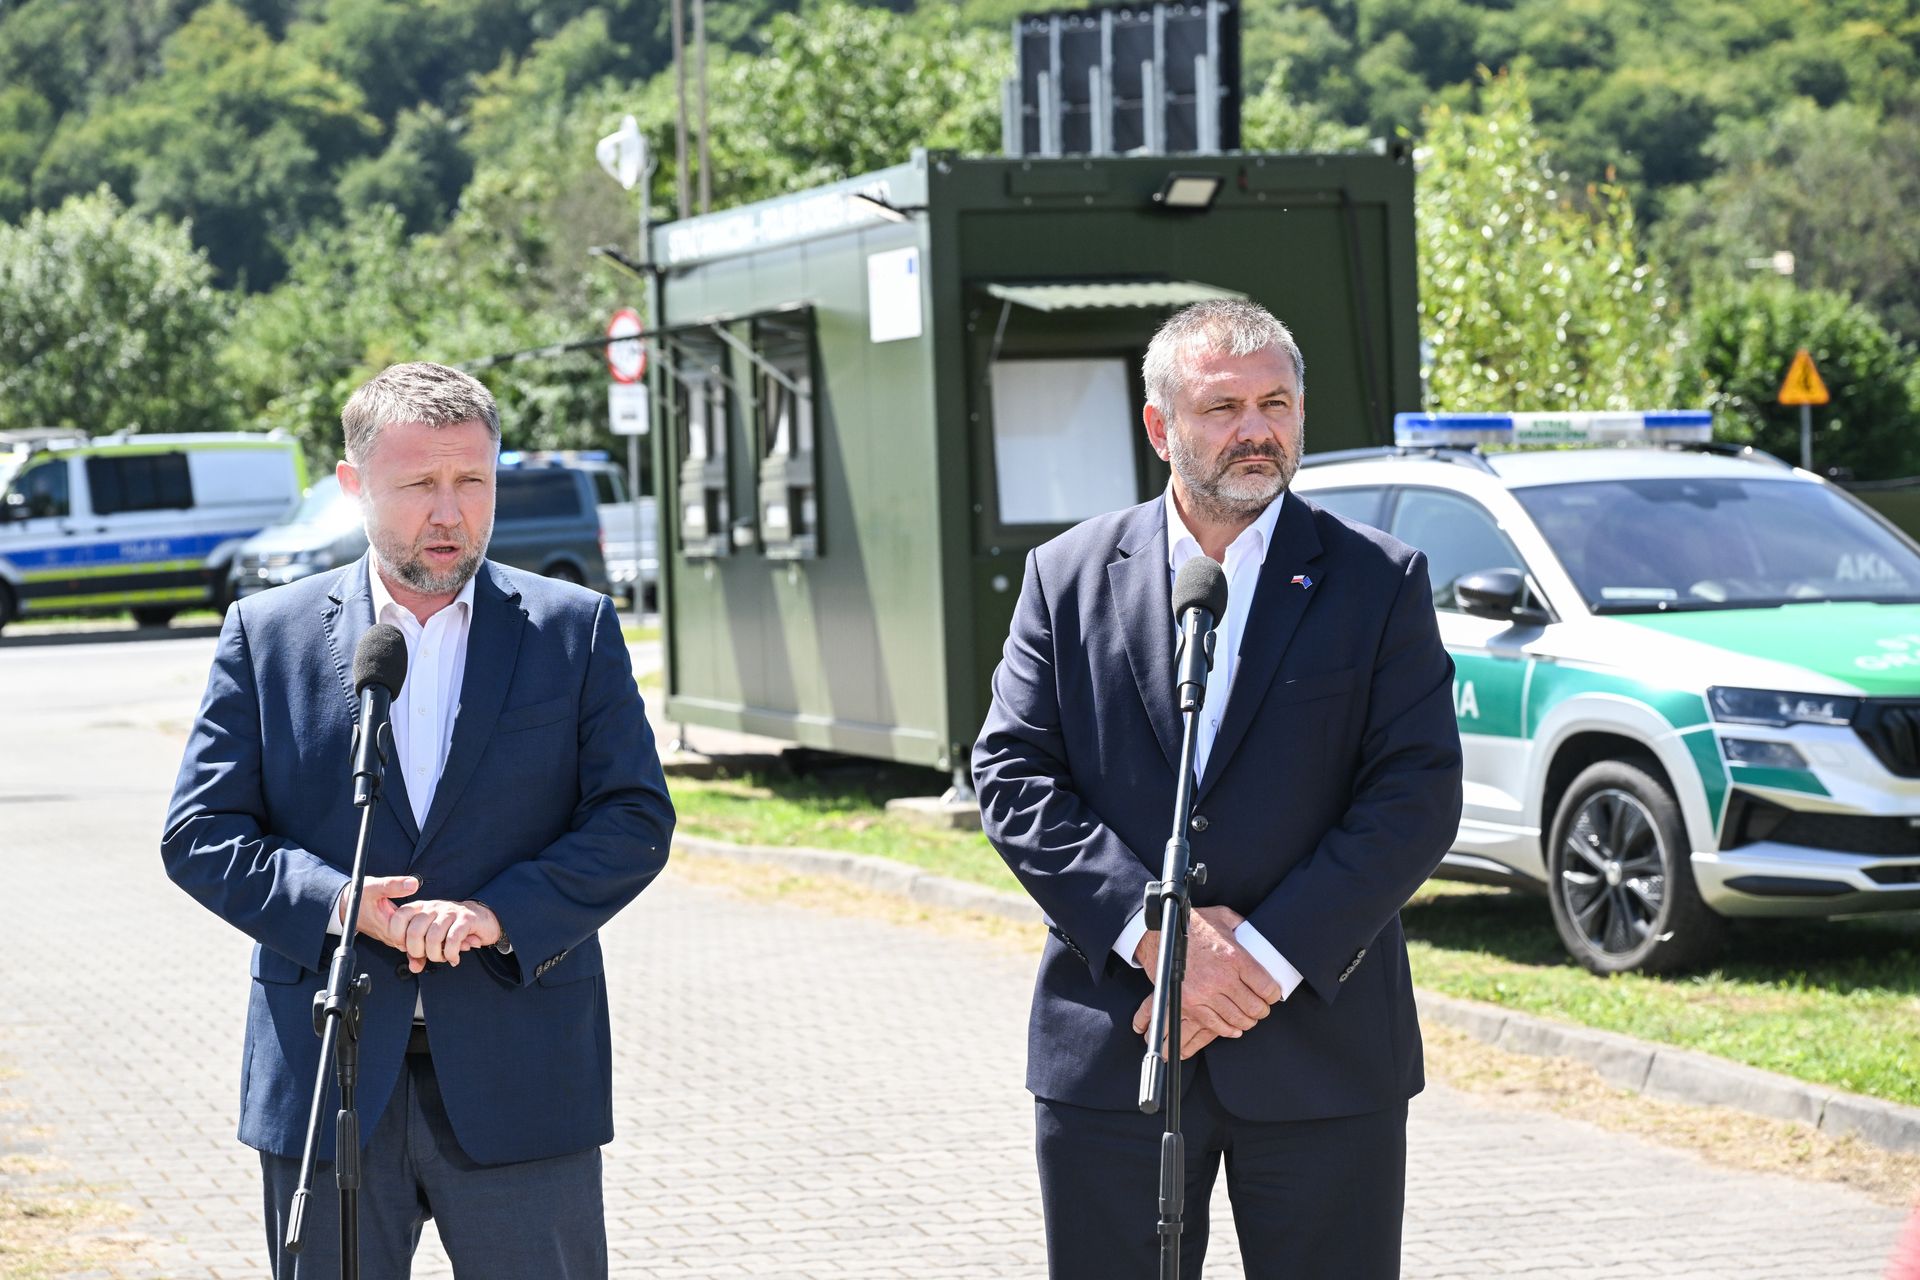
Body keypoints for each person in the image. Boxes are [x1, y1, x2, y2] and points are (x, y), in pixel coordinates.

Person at [973, 300, 1462, 1279]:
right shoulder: (1065, 577)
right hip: (1120, 1048)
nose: (1256, 429)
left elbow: (1414, 793)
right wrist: (1161, 942)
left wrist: (1257, 962)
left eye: (1276, 403)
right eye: (1222, 406)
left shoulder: (1379, 581)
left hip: (1323, 1054)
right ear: (1160, 427)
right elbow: (1013, 774)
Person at [163, 362, 674, 1278]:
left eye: (471, 480)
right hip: (329, 1075)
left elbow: (632, 815)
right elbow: (200, 832)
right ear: (352, 485)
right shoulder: (267, 633)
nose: (449, 513)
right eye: (418, 485)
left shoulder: (575, 629)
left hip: (524, 1076)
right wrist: (341, 903)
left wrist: (498, 913)